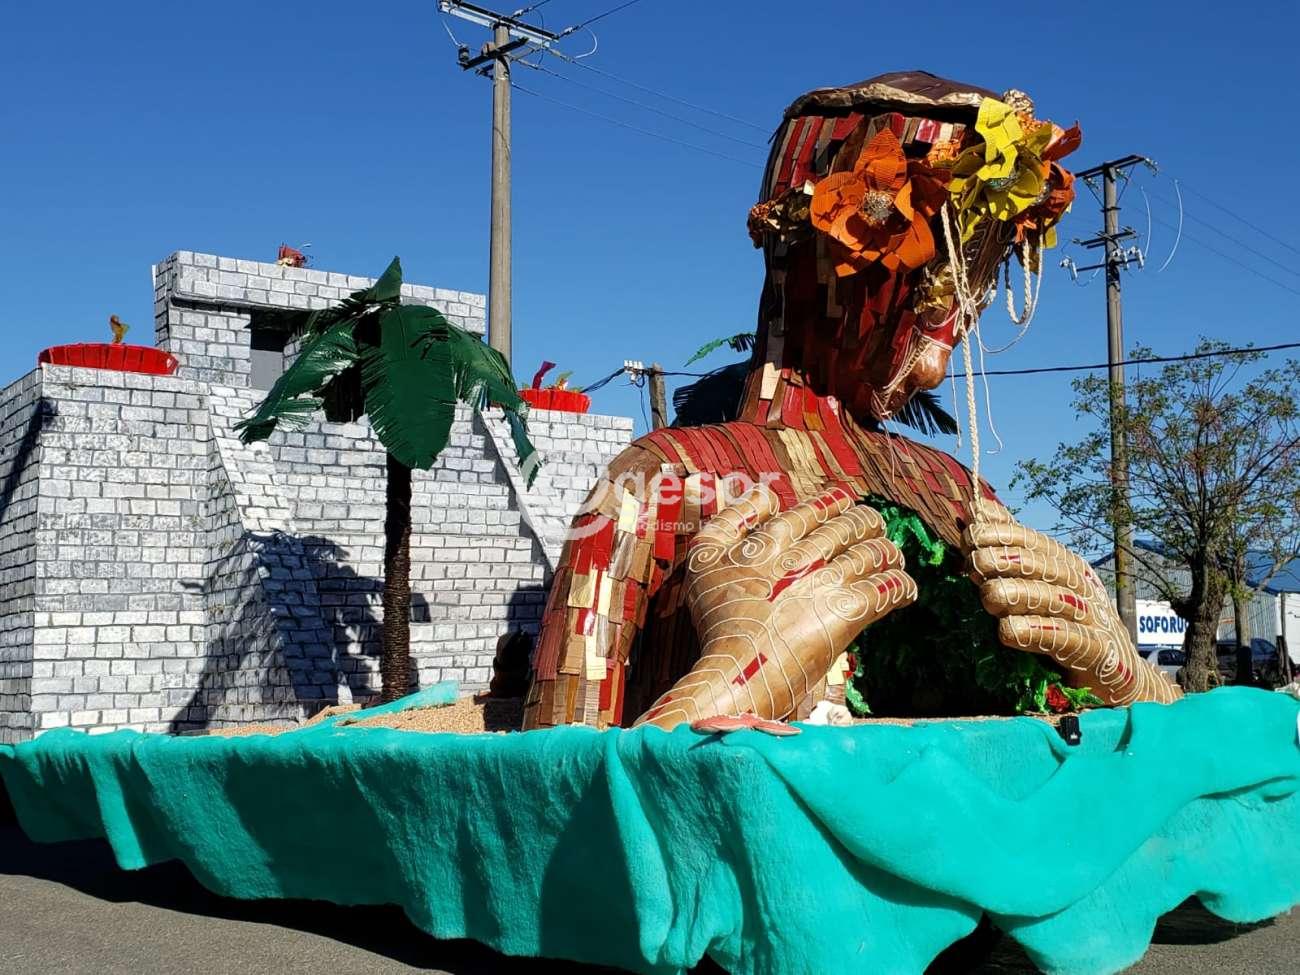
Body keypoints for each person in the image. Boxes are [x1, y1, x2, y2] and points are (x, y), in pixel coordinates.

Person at [522, 71, 1179, 731]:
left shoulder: (959, 494)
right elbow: (544, 778)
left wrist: (1128, 676)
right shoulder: (653, 484)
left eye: (967, 307)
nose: (935, 366)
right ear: (809, 254)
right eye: (923, 295)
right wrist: (729, 685)